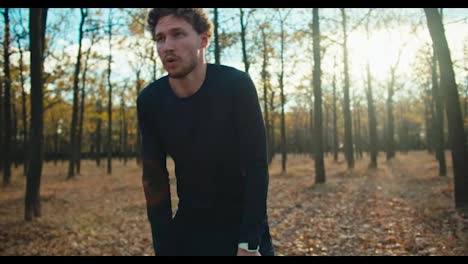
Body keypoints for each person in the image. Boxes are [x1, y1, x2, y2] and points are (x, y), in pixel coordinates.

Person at [136, 8, 274, 256]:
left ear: (203, 39)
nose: (168, 46)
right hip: (189, 228)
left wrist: (249, 243)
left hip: (243, 227)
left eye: (178, 34)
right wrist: (164, 247)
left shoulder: (236, 86)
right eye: (160, 38)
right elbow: (154, 179)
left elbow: (256, 166)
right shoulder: (150, 100)